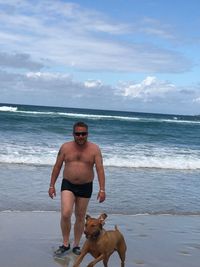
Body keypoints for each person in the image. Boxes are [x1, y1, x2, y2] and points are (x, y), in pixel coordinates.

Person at [48, 121, 106, 256]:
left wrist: (102, 189)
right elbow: (57, 167)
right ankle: (65, 243)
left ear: (87, 134)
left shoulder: (95, 149)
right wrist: (52, 185)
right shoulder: (65, 148)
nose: (80, 136)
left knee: (80, 217)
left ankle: (76, 245)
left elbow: (100, 170)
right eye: (78, 134)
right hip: (68, 184)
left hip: (86, 186)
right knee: (66, 213)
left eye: (83, 134)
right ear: (73, 134)